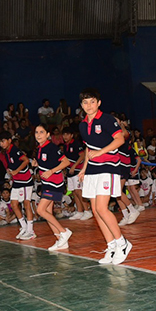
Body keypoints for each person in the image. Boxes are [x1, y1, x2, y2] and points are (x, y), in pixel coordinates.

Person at [78, 88, 132, 265]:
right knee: (95, 210)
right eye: (85, 102)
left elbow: (120, 139)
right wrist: (84, 169)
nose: (89, 105)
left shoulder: (107, 119)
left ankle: (122, 243)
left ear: (98, 103)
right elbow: (88, 148)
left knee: (102, 208)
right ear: (81, 105)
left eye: (92, 101)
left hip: (108, 167)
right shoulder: (83, 124)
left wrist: (101, 152)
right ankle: (111, 246)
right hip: (92, 169)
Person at [32, 124, 73, 250]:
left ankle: (64, 232)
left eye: (41, 132)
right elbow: (47, 162)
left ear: (48, 135)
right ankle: (61, 240)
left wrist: (51, 171)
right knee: (48, 212)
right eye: (36, 132)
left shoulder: (51, 147)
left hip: (54, 183)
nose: (38, 135)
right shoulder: (39, 148)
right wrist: (37, 164)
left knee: (40, 211)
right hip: (46, 183)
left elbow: (66, 162)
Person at [0, 131, 36, 240]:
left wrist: (16, 171)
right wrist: (11, 172)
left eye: (3, 141)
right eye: (0, 142)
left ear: (9, 140)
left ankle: (30, 231)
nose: (1, 144)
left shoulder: (15, 150)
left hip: (25, 180)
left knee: (26, 204)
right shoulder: (6, 152)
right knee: (14, 204)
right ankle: (23, 227)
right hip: (17, 181)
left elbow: (26, 160)